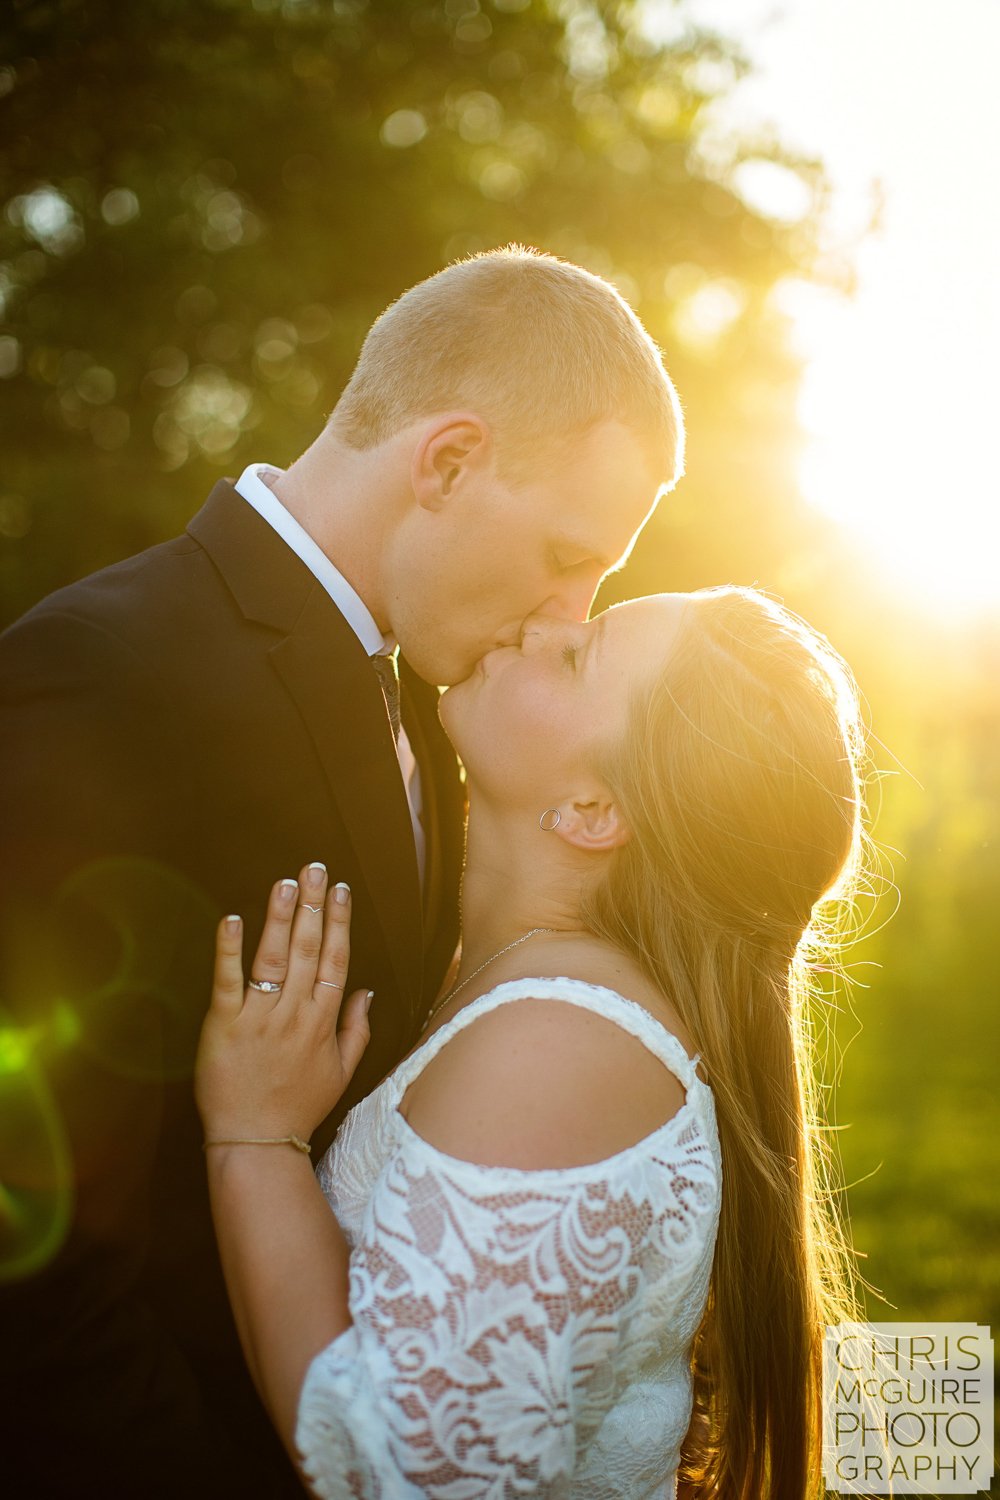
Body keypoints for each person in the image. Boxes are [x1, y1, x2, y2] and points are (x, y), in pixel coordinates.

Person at [0, 247, 683, 1496]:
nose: (567, 616)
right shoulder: (101, 673)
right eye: (565, 555)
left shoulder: (438, 693)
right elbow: (29, 1239)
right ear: (448, 461)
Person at [195, 585, 870, 1500]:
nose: (540, 619)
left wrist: (254, 1140)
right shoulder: (519, 988)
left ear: (593, 809)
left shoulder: (559, 1049)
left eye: (576, 654)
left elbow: (408, 1476)